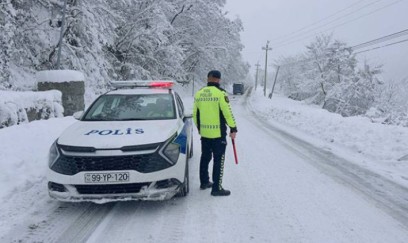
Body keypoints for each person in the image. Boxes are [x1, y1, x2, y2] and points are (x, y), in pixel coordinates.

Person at [193, 70, 238, 196]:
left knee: (205, 157)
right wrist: (233, 128)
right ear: (218, 80)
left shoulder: (199, 93)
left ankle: (204, 182)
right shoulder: (220, 94)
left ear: (208, 78)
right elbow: (227, 112)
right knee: (219, 160)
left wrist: (200, 129)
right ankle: (216, 188)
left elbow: (195, 115)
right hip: (218, 135)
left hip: (205, 134)